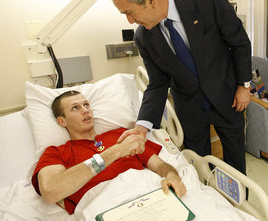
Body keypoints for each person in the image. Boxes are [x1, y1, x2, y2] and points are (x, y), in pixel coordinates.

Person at [108, 0, 252, 175]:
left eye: (129, 12)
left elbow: (239, 42)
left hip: (228, 99)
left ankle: (238, 207)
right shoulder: (144, 37)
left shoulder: (207, 0)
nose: (130, 20)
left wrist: (244, 85)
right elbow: (157, 84)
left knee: (235, 165)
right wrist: (141, 126)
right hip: (191, 109)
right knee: (198, 169)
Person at [32, 91, 186, 214]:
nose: (85, 110)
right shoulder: (56, 153)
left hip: (151, 198)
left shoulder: (122, 135)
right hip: (108, 211)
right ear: (62, 121)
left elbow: (161, 166)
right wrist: (116, 151)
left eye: (86, 105)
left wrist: (173, 178)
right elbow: (50, 191)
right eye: (75, 108)